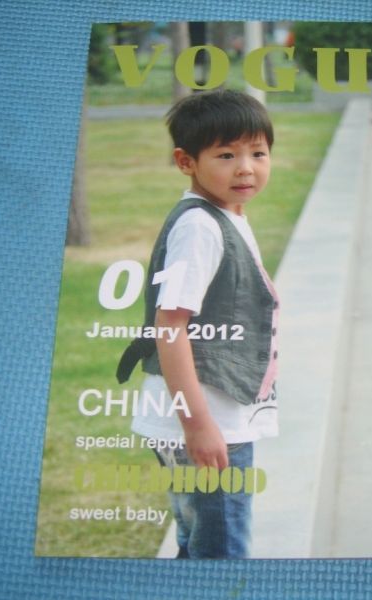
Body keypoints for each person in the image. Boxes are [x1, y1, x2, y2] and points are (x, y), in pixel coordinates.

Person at [116, 89, 280, 558]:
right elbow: (170, 326)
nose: (245, 168)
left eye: (257, 153)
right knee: (221, 552)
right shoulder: (201, 228)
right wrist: (200, 426)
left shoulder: (224, 214)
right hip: (207, 422)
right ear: (186, 161)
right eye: (226, 155)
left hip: (208, 418)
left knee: (200, 543)